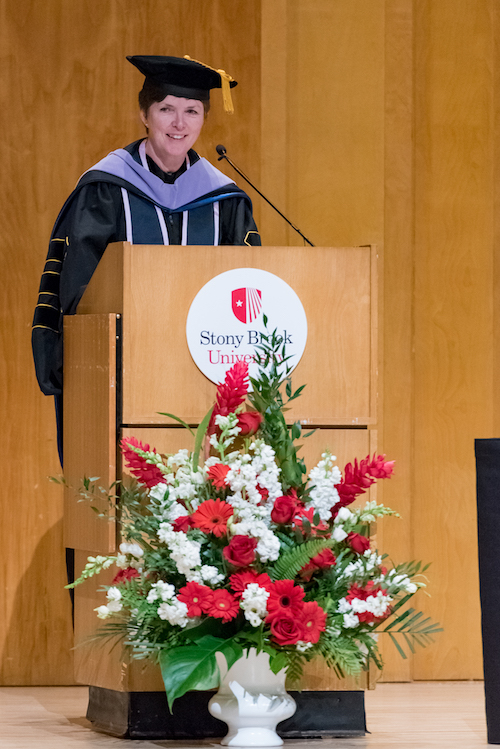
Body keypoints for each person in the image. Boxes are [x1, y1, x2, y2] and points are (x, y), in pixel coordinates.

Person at [32, 54, 261, 463]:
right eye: (166, 109)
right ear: (144, 113)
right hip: (122, 371)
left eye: (191, 111)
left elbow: (245, 285)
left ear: (204, 119)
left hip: (204, 367)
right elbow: (78, 289)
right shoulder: (105, 189)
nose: (179, 124)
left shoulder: (223, 198)